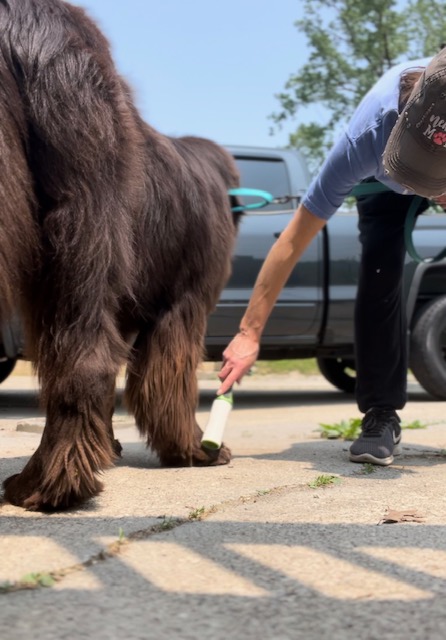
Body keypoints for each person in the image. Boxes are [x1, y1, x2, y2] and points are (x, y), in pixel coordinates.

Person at [217, 47, 446, 466]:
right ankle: (381, 415)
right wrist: (249, 333)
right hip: (381, 184)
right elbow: (291, 241)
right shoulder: (366, 140)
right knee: (380, 272)